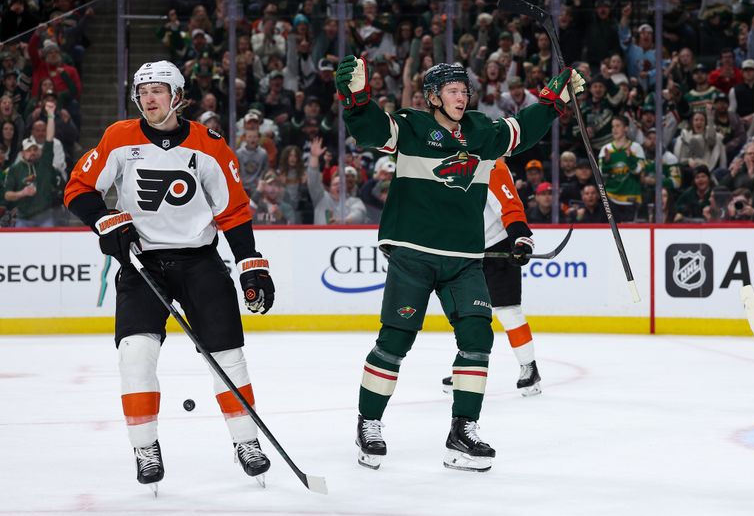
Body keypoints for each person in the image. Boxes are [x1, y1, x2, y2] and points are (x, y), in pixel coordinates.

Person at [334, 55, 584, 472]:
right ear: (433, 96)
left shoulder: (481, 132)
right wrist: (357, 99)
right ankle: (369, 424)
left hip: (466, 260)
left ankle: (463, 431)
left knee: (477, 339)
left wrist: (553, 102)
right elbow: (373, 129)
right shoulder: (412, 125)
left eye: (464, 90)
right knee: (395, 341)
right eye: (452, 90)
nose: (462, 96)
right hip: (413, 255)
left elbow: (521, 131)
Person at [62, 61, 275, 491]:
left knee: (228, 355)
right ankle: (145, 447)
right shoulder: (119, 137)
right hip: (143, 266)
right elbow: (78, 189)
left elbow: (232, 211)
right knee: (135, 356)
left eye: (158, 90)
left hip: (200, 262)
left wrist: (250, 265)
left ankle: (246, 441)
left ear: (177, 96)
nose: (149, 99)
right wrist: (104, 221)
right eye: (143, 91)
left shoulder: (209, 145)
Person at [442, 158, 544, 397]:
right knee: (466, 314)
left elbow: (509, 203)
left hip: (497, 244)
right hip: (465, 251)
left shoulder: (491, 163)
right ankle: (468, 369)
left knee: (508, 310)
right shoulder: (442, 161)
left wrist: (520, 238)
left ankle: (529, 367)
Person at [2, 103, 57, 227]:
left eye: (34, 149)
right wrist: (22, 193)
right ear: (22, 153)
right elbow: (7, 195)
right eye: (28, 150)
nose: (32, 152)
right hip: (24, 218)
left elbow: (49, 138)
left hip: (46, 218)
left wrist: (51, 115)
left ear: (38, 151)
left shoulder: (45, 164)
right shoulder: (14, 170)